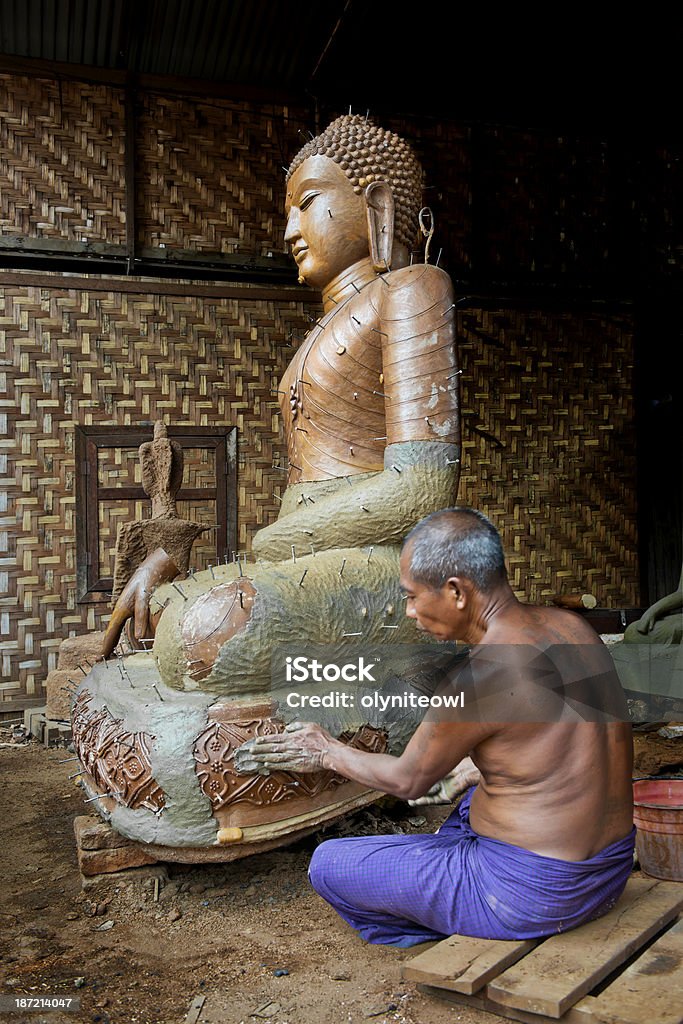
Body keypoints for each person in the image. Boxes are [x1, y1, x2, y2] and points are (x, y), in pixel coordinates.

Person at [102, 115, 460, 687]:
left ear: (378, 204)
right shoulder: (317, 334)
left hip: (388, 563)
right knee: (159, 610)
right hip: (303, 557)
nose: (290, 230)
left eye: (308, 202)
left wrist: (271, 542)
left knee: (209, 631)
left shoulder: (414, 289)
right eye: (286, 212)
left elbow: (422, 490)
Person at [238, 508, 635, 946]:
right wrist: (479, 769)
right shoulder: (576, 629)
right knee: (466, 803)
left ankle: (465, 913)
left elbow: (408, 781)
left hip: (534, 894)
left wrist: (325, 750)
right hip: (609, 872)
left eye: (412, 596)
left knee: (329, 864)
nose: (409, 611)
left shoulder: (477, 680)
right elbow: (560, 744)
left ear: (456, 592)